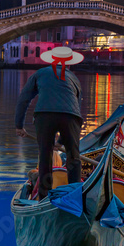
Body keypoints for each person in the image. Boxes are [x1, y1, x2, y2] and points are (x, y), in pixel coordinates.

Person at [14, 46, 84, 200]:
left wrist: (19, 126)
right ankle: (74, 196)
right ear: (70, 63)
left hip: (44, 116)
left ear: (52, 60)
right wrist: (60, 142)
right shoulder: (73, 78)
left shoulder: (39, 74)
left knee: (45, 156)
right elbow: (76, 108)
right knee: (74, 157)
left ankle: (44, 197)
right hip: (71, 117)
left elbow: (23, 99)